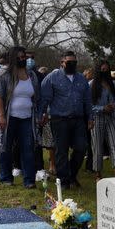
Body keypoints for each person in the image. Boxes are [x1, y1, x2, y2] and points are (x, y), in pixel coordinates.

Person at [39, 51, 94, 190]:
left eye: (74, 62)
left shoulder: (81, 79)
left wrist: (90, 117)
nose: (72, 64)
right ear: (62, 62)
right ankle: (63, 181)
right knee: (61, 151)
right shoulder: (52, 78)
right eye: (69, 62)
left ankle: (72, 175)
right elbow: (45, 98)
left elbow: (87, 100)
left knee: (81, 148)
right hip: (59, 120)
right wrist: (42, 114)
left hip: (78, 120)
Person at [0, 46, 40, 188]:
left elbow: (36, 97)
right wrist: (1, 116)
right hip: (9, 117)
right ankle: (5, 177)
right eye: (19, 58)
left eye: (24, 57)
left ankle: (29, 180)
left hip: (27, 118)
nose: (23, 59)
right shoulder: (4, 74)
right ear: (12, 59)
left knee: (28, 149)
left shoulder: (32, 75)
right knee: (6, 147)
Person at [90, 60, 115, 179]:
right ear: (98, 70)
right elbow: (88, 105)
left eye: (107, 70)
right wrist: (102, 108)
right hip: (97, 118)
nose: (104, 72)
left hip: (110, 117)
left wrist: (114, 106)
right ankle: (98, 174)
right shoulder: (91, 84)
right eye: (102, 70)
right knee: (97, 146)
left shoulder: (113, 85)